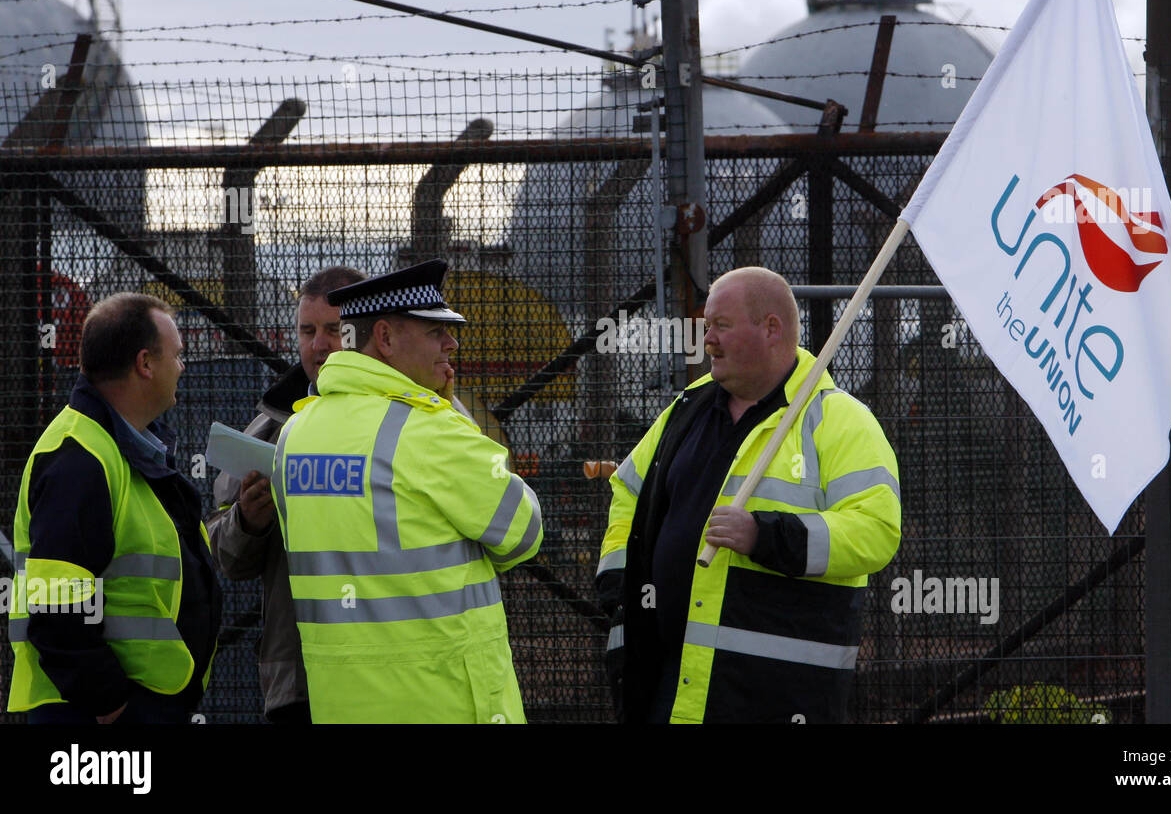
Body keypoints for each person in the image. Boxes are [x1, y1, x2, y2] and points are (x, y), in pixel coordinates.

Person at [597, 266, 902, 723]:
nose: (708, 340)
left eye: (721, 325)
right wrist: (619, 574)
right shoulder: (688, 408)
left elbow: (877, 529)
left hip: (775, 697)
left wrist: (764, 536)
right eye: (706, 327)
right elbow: (629, 488)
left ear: (771, 329)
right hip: (670, 686)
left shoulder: (839, 420)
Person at [269, 258, 543, 723]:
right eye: (435, 331)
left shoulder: (296, 433)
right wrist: (450, 411)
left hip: (340, 705)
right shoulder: (430, 431)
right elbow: (523, 531)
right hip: (441, 701)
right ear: (386, 338)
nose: (451, 343)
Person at [7, 293, 223, 724]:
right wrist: (112, 706)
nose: (182, 367)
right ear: (145, 363)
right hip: (93, 713)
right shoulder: (80, 458)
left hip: (126, 703)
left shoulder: (121, 448)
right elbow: (55, 610)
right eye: (177, 355)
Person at [207, 265, 365, 724]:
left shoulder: (412, 412)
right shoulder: (268, 427)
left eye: (334, 329)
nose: (319, 345)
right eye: (307, 330)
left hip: (389, 667)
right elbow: (225, 555)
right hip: (298, 680)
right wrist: (247, 522)